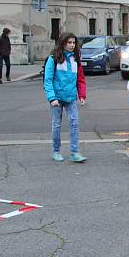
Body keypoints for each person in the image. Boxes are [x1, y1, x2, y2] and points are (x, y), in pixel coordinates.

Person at [43, 32, 87, 163]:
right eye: (69, 42)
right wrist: (52, 98)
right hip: (56, 98)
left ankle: (74, 152)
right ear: (63, 43)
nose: (72, 45)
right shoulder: (53, 58)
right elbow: (48, 80)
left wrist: (82, 94)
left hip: (71, 97)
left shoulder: (76, 58)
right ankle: (56, 151)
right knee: (56, 125)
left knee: (74, 123)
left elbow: (80, 79)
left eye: (74, 43)